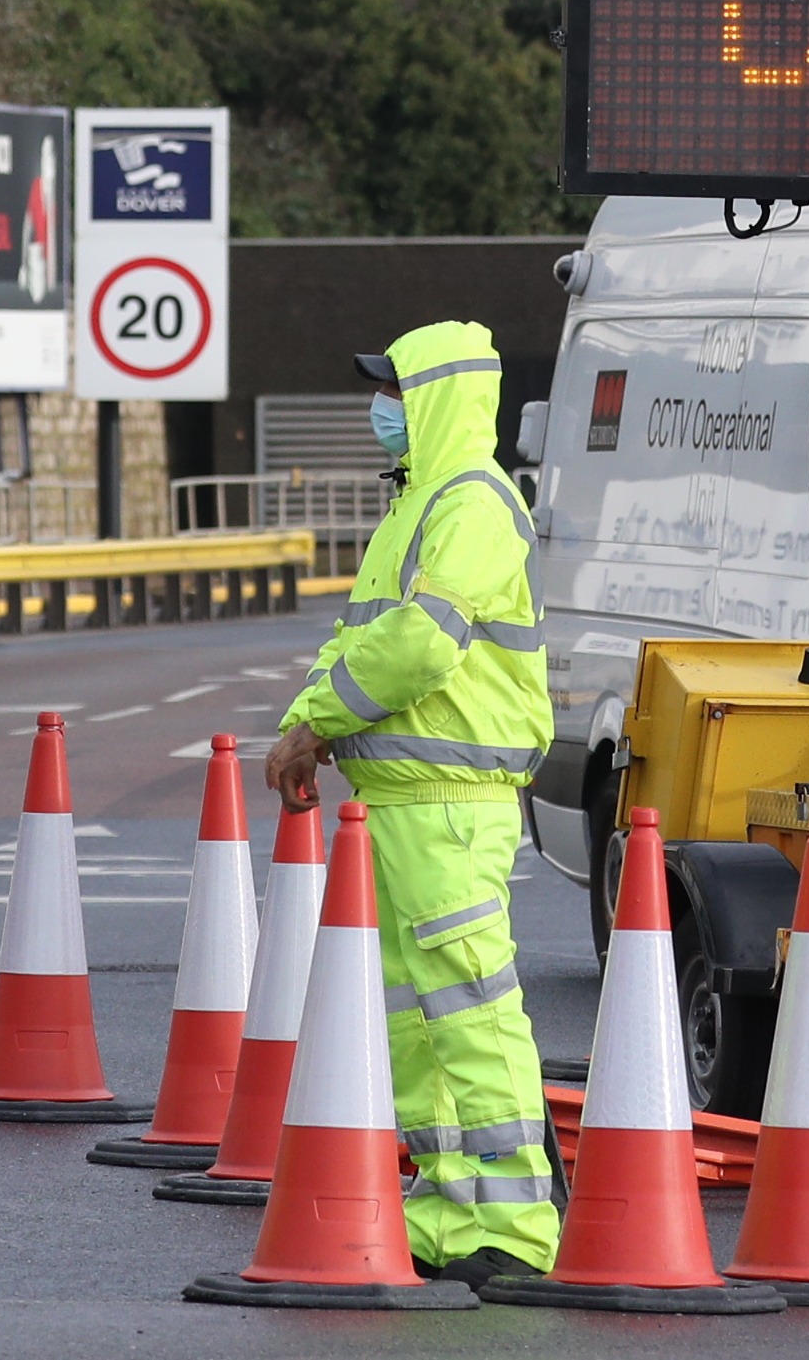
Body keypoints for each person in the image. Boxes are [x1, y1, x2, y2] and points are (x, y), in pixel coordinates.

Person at [263, 321, 558, 1285]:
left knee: (468, 1006)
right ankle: (445, 1213)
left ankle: (512, 1230)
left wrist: (315, 724)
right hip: (400, 799)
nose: (380, 404)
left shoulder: (472, 497)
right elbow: (361, 637)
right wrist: (311, 717)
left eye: (394, 386)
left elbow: (424, 644)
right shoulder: (417, 504)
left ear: (433, 397)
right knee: (421, 1019)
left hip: (450, 797)